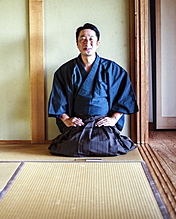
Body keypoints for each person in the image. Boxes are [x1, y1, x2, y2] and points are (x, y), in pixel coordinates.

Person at [48, 23, 139, 157]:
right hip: (79, 122)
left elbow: (124, 96)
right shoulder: (65, 71)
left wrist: (114, 118)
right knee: (67, 148)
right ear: (77, 44)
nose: (87, 42)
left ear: (97, 43)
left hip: (102, 122)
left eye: (91, 38)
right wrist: (67, 119)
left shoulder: (113, 69)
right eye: (82, 39)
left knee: (109, 147)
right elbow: (58, 98)